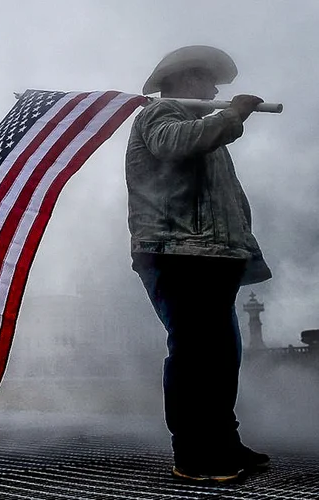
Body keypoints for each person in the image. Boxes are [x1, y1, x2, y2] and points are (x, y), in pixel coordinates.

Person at [126, 45, 271, 483]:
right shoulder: (162, 113)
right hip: (177, 253)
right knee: (194, 354)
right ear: (185, 78)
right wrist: (233, 115)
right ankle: (193, 454)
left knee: (221, 355)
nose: (213, 90)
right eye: (207, 80)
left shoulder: (202, 126)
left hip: (212, 256)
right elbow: (173, 145)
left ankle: (223, 441)